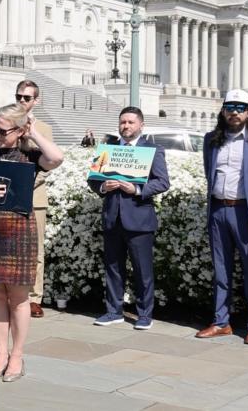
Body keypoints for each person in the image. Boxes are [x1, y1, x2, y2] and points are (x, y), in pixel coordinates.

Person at [0, 103, 63, 383]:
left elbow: (57, 158)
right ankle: (1, 354)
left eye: (2, 130)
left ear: (19, 130)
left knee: (19, 298)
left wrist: (34, 135)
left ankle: (17, 355)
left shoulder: (30, 155)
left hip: (20, 233)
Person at [195, 90, 248, 345]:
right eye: (230, 107)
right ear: (223, 110)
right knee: (221, 270)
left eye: (240, 107)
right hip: (218, 210)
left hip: (246, 212)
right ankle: (221, 322)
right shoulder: (211, 138)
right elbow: (208, 172)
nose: (235, 112)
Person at [88, 107, 169, 330]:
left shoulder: (152, 150)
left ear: (141, 125)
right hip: (112, 217)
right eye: (123, 122)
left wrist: (136, 189)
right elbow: (93, 180)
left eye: (131, 122)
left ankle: (144, 314)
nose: (126, 126)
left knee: (143, 269)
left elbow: (162, 182)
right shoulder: (109, 149)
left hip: (139, 218)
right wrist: (103, 186)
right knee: (113, 267)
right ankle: (114, 311)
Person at [16, 79, 54, 318]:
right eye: (19, 96)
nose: (21, 100)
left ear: (36, 101)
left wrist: (27, 183)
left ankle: (33, 298)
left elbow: (49, 164)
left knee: (36, 249)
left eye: (26, 98)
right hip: (9, 195)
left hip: (34, 195)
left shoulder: (44, 128)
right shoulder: (6, 124)